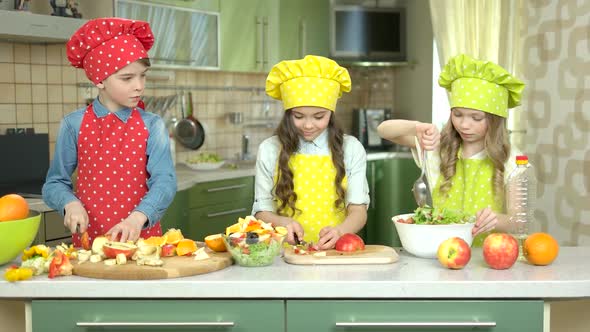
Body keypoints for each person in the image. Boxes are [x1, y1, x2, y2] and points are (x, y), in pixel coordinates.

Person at [43, 18, 177, 246]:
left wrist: (136, 219)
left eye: (143, 75)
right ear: (99, 80)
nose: (139, 86)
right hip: (89, 246)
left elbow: (165, 182)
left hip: (143, 243)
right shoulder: (72, 125)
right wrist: (69, 203)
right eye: (127, 78)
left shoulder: (152, 125)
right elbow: (54, 183)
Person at [377, 54, 525, 246]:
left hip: (489, 258)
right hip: (441, 252)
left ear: (495, 120)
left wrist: (496, 219)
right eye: (458, 114)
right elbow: (383, 130)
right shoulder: (439, 147)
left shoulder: (512, 160)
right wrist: (416, 127)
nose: (464, 124)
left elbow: (519, 221)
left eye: (476, 118)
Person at [252, 55, 370, 250]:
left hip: (334, 254)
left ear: (331, 114)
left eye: (318, 116)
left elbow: (358, 210)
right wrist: (281, 223)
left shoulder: (351, 148)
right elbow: (261, 211)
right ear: (288, 114)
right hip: (283, 256)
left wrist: (340, 232)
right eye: (298, 116)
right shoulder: (269, 149)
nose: (308, 125)